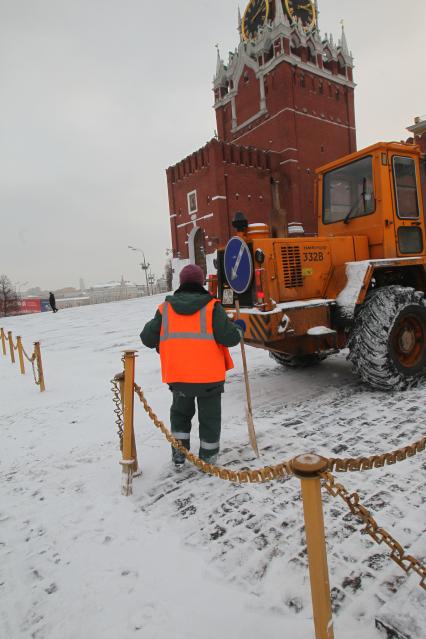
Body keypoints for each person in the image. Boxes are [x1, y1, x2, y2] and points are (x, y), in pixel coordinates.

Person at [140, 264, 242, 468]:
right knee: (209, 419)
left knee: (180, 416)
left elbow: (146, 338)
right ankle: (208, 458)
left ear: (181, 283)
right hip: (208, 378)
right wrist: (238, 328)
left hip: (178, 376)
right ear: (201, 282)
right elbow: (230, 338)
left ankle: (179, 455)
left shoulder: (165, 308)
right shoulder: (213, 307)